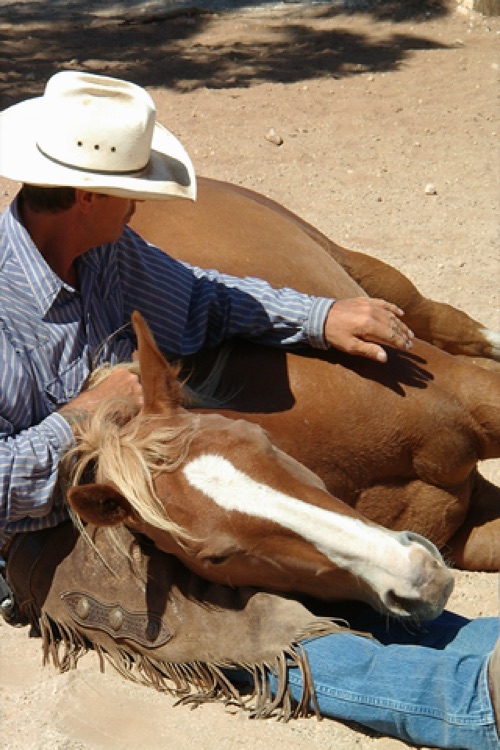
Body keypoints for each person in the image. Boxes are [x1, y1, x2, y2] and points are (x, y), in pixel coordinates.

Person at [0, 71, 497, 750]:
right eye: (133, 193)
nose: (141, 208)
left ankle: (478, 644)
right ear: (88, 195)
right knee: (226, 628)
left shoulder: (111, 253)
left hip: (153, 449)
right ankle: (461, 702)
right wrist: (76, 418)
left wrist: (322, 316)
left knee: (287, 528)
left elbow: (206, 300)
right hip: (46, 525)